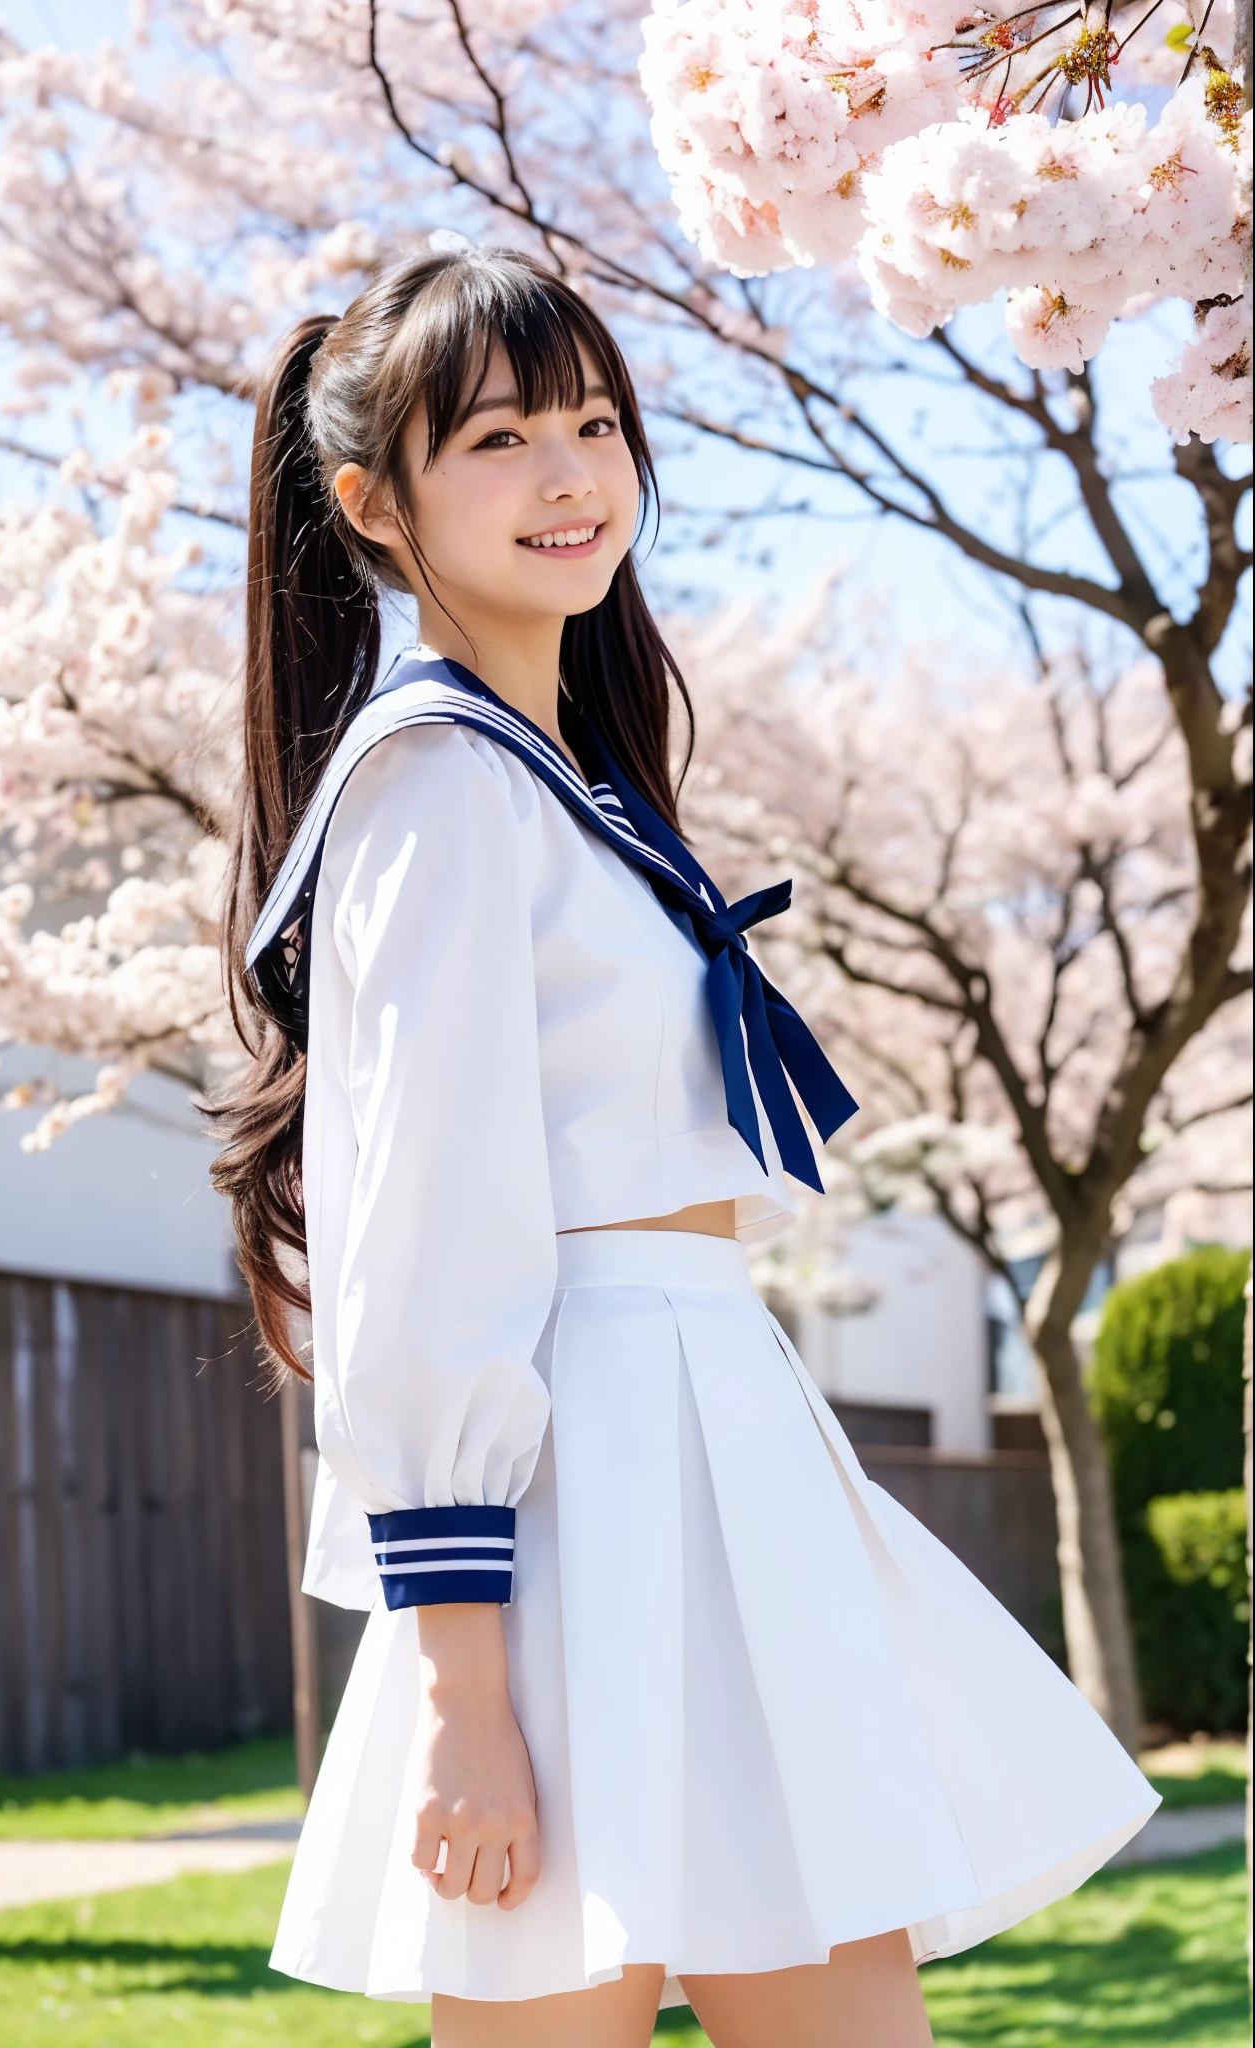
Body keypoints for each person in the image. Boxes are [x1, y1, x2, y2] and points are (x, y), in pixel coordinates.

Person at [214, 246, 1157, 2048]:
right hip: (585, 1474)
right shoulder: (435, 780)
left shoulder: (566, 775)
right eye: (497, 437)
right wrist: (464, 1702)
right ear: (376, 508)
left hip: (713, 1425)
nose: (571, 474)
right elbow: (418, 1248)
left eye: (594, 423)